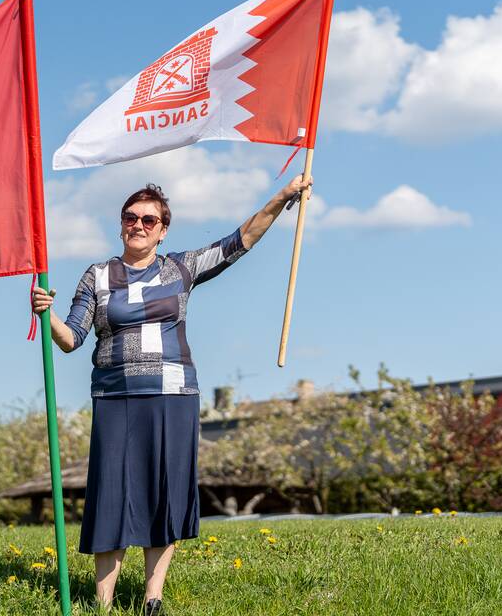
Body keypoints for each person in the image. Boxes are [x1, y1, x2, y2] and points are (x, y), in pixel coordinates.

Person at [31, 175, 312, 615]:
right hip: (115, 397)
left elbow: (241, 240)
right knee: (111, 493)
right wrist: (46, 316)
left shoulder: (181, 268)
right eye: (130, 217)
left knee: (164, 491)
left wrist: (282, 196)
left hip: (173, 396)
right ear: (121, 224)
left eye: (149, 219)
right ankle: (102, 603)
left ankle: (152, 597)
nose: (138, 225)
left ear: (163, 229)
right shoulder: (98, 275)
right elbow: (72, 339)